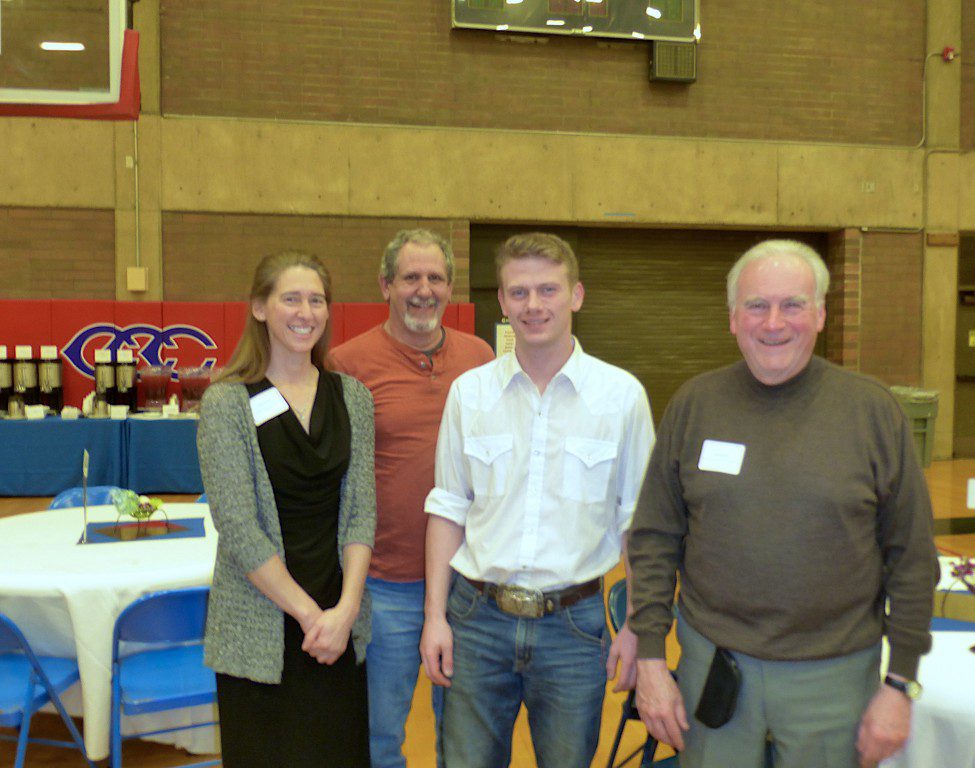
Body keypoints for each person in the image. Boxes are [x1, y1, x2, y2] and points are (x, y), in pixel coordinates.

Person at [627, 239, 938, 768]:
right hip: (713, 667)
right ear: (732, 318)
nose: (774, 322)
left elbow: (911, 557)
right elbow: (655, 539)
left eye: (792, 304)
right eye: (756, 305)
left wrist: (900, 683)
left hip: (835, 676)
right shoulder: (694, 405)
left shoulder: (872, 412)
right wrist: (652, 660)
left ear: (820, 314)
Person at [420, 232, 655, 768]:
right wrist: (436, 616)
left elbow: (638, 524)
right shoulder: (470, 394)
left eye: (548, 289)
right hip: (476, 621)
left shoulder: (621, 398)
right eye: (519, 292)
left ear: (576, 295)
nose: (533, 305)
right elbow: (448, 507)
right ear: (501, 302)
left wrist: (639, 622)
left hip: (575, 630)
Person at [197, 251, 376, 768]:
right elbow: (237, 526)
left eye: (316, 300)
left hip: (338, 627)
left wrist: (343, 612)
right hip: (263, 624)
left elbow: (363, 509)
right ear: (259, 308)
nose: (306, 312)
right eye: (290, 298)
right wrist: (309, 617)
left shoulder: (354, 398)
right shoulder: (227, 403)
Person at [326, 229, 493, 768]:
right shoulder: (347, 364)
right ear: (386, 286)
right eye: (411, 278)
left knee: (466, 737)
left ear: (450, 288)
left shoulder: (481, 357)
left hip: (470, 584)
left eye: (436, 278)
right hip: (385, 584)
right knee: (379, 736)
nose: (424, 290)